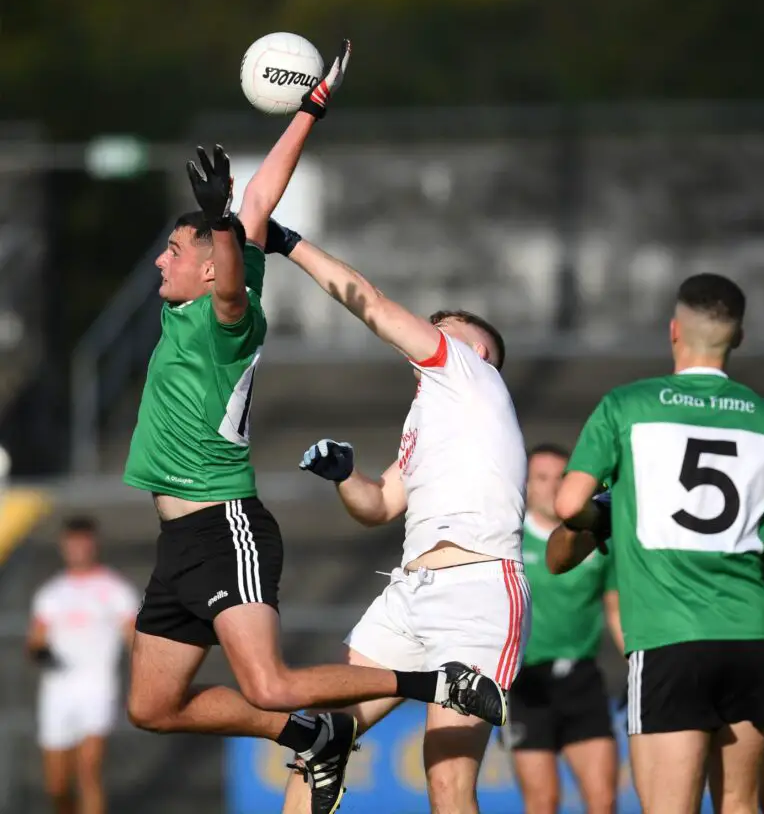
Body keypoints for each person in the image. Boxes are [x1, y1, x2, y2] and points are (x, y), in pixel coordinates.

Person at [121, 44, 505, 814]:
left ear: (208, 266)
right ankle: (312, 736)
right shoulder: (206, 290)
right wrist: (310, 110)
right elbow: (262, 199)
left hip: (223, 527)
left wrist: (220, 222)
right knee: (153, 707)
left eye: (174, 250)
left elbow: (233, 280)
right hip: (179, 540)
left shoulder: (224, 319)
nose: (161, 260)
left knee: (269, 682)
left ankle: (434, 683)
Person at [262, 218, 531, 814]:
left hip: (478, 592)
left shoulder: (471, 373)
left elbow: (374, 304)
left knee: (448, 783)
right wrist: (345, 477)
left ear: (477, 350)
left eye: (446, 326)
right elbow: (380, 504)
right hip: (410, 593)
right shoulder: (431, 415)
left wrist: (288, 243)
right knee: (321, 737)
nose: (431, 328)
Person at [553, 273, 764, 814]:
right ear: (738, 337)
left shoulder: (628, 406)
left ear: (673, 330)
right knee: (740, 805)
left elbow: (567, 505)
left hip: (668, 637)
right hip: (751, 636)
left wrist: (606, 513)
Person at [547, 487, 764, 814]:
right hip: (669, 656)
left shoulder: (761, 473)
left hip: (745, 649)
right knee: (671, 804)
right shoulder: (635, 474)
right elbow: (558, 556)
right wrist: (588, 515)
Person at [505, 443, 621, 814]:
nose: (552, 486)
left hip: (581, 680)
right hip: (525, 684)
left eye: (561, 478)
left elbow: (616, 609)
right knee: (543, 802)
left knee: (603, 801)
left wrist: (640, 665)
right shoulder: (507, 539)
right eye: (541, 478)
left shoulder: (595, 538)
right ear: (525, 485)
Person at [27, 516, 140, 814]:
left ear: (94, 544)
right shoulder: (51, 593)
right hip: (57, 691)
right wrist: (40, 653)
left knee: (89, 771)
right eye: (72, 543)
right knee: (57, 785)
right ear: (63, 546)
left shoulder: (115, 589)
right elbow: (35, 640)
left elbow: (134, 639)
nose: (78, 549)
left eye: (83, 542)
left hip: (98, 688)